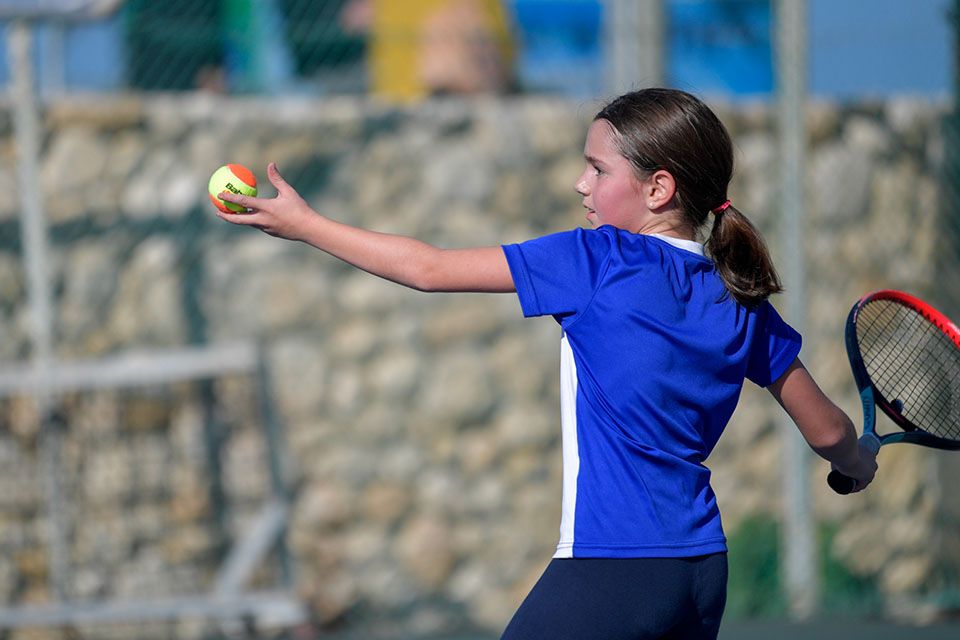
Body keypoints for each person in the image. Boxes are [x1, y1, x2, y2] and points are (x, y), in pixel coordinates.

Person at [215, 88, 877, 640]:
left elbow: (427, 268)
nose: (579, 183)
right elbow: (827, 432)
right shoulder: (740, 300)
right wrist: (858, 461)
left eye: (597, 169)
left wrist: (305, 225)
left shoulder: (597, 263)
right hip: (701, 574)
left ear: (658, 189)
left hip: (612, 571)